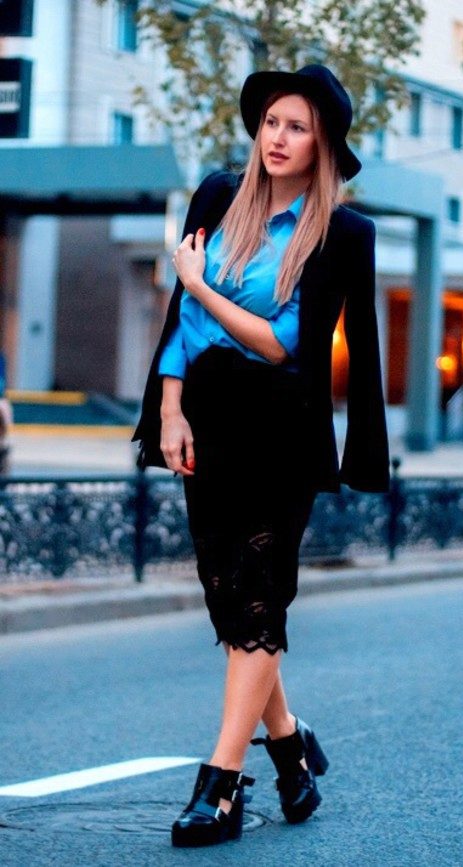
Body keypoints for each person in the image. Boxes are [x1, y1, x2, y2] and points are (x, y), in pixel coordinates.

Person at [132, 63, 390, 848]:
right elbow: (180, 322)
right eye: (272, 121)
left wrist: (200, 285)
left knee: (258, 595)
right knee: (229, 596)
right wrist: (170, 410)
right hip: (207, 418)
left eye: (297, 127)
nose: (278, 137)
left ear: (323, 145)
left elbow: (285, 345)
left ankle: (221, 785)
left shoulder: (342, 234)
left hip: (280, 431)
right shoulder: (219, 196)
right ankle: (289, 747)